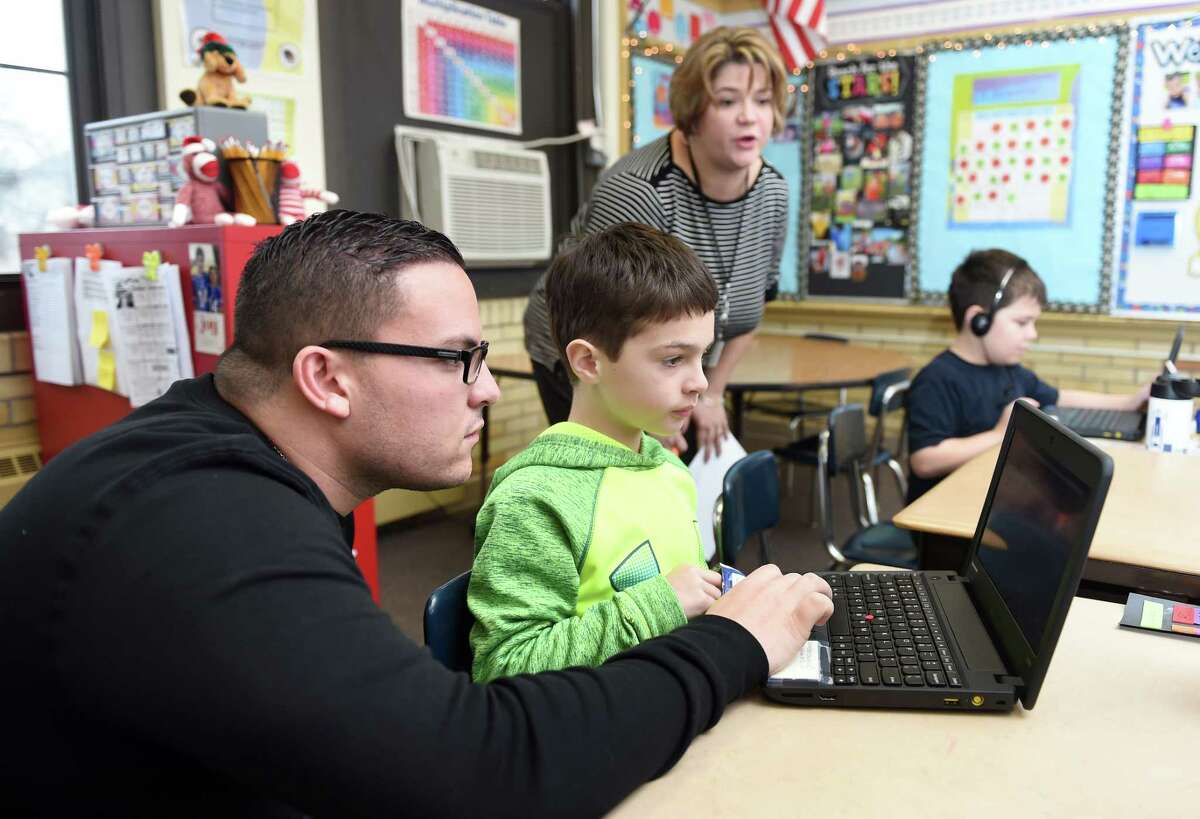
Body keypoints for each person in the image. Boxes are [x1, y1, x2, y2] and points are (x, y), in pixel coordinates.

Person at [0, 210, 835, 817]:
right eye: (453, 359)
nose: (483, 387)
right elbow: (474, 775)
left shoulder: (230, 453)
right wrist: (734, 641)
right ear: (326, 378)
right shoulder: (204, 520)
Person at [523, 26, 792, 459]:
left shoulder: (774, 193)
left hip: (675, 360)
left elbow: (752, 309)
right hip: (589, 350)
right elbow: (598, 321)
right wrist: (648, 416)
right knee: (617, 471)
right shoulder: (641, 189)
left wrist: (711, 394)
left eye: (762, 100)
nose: (749, 116)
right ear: (693, 112)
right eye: (727, 101)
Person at [470, 224, 723, 682]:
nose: (700, 381)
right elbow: (504, 666)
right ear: (589, 362)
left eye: (702, 356)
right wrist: (661, 603)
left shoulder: (667, 466)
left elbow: (685, 598)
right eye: (673, 359)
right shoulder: (535, 499)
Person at [906, 248, 1150, 502]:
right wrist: (999, 435)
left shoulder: (1009, 370)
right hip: (945, 521)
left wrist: (1127, 403)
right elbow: (925, 460)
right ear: (979, 320)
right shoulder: (937, 380)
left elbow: (1059, 397)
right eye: (1022, 323)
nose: (1032, 334)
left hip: (993, 500)